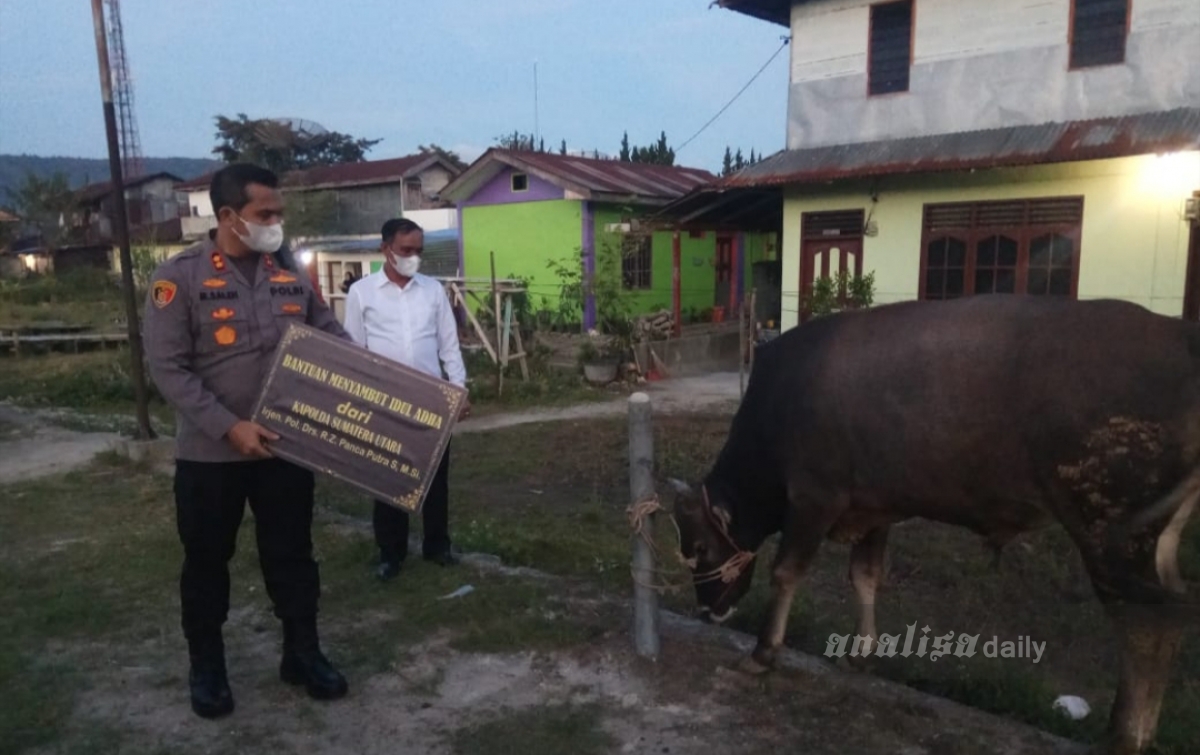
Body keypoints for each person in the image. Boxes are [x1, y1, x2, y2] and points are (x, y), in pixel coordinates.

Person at [143, 163, 350, 720]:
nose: (276, 224)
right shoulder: (179, 277)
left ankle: (302, 654)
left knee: (292, 555)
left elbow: (332, 337)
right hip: (212, 455)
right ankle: (207, 667)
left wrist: (393, 390)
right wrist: (229, 425)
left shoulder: (289, 272)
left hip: (285, 448)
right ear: (229, 216)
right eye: (266, 215)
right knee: (207, 560)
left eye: (279, 213)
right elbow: (168, 368)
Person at [342, 218, 470, 582]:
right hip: (384, 400)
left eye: (419, 252)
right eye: (406, 251)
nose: (414, 258)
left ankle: (437, 545)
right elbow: (354, 348)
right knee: (388, 478)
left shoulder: (433, 291)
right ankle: (391, 552)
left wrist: (458, 389)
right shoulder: (362, 293)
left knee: (435, 477)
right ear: (386, 249)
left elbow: (449, 344)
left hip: (432, 398)